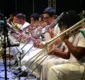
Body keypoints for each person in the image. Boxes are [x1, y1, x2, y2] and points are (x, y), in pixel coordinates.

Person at [40, 10, 85, 80]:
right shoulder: (72, 33)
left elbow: (78, 55)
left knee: (54, 70)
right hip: (72, 62)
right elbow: (68, 55)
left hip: (82, 66)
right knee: (47, 64)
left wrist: (65, 40)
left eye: (65, 24)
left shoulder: (83, 33)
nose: (65, 27)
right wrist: (54, 52)